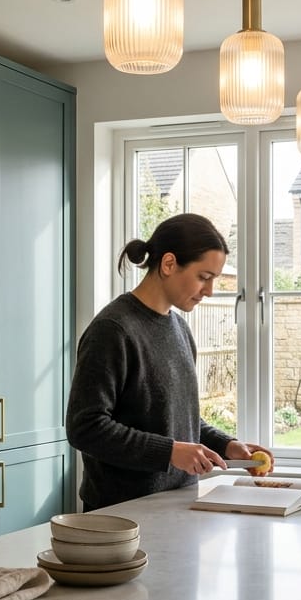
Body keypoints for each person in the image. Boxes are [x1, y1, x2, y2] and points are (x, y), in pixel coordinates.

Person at [66, 212, 274, 510]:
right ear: (168, 264)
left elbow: (180, 419)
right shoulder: (113, 330)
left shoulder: (180, 329)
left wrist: (225, 445)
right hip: (120, 515)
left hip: (181, 503)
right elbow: (84, 426)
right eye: (203, 277)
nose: (210, 291)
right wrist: (169, 452)